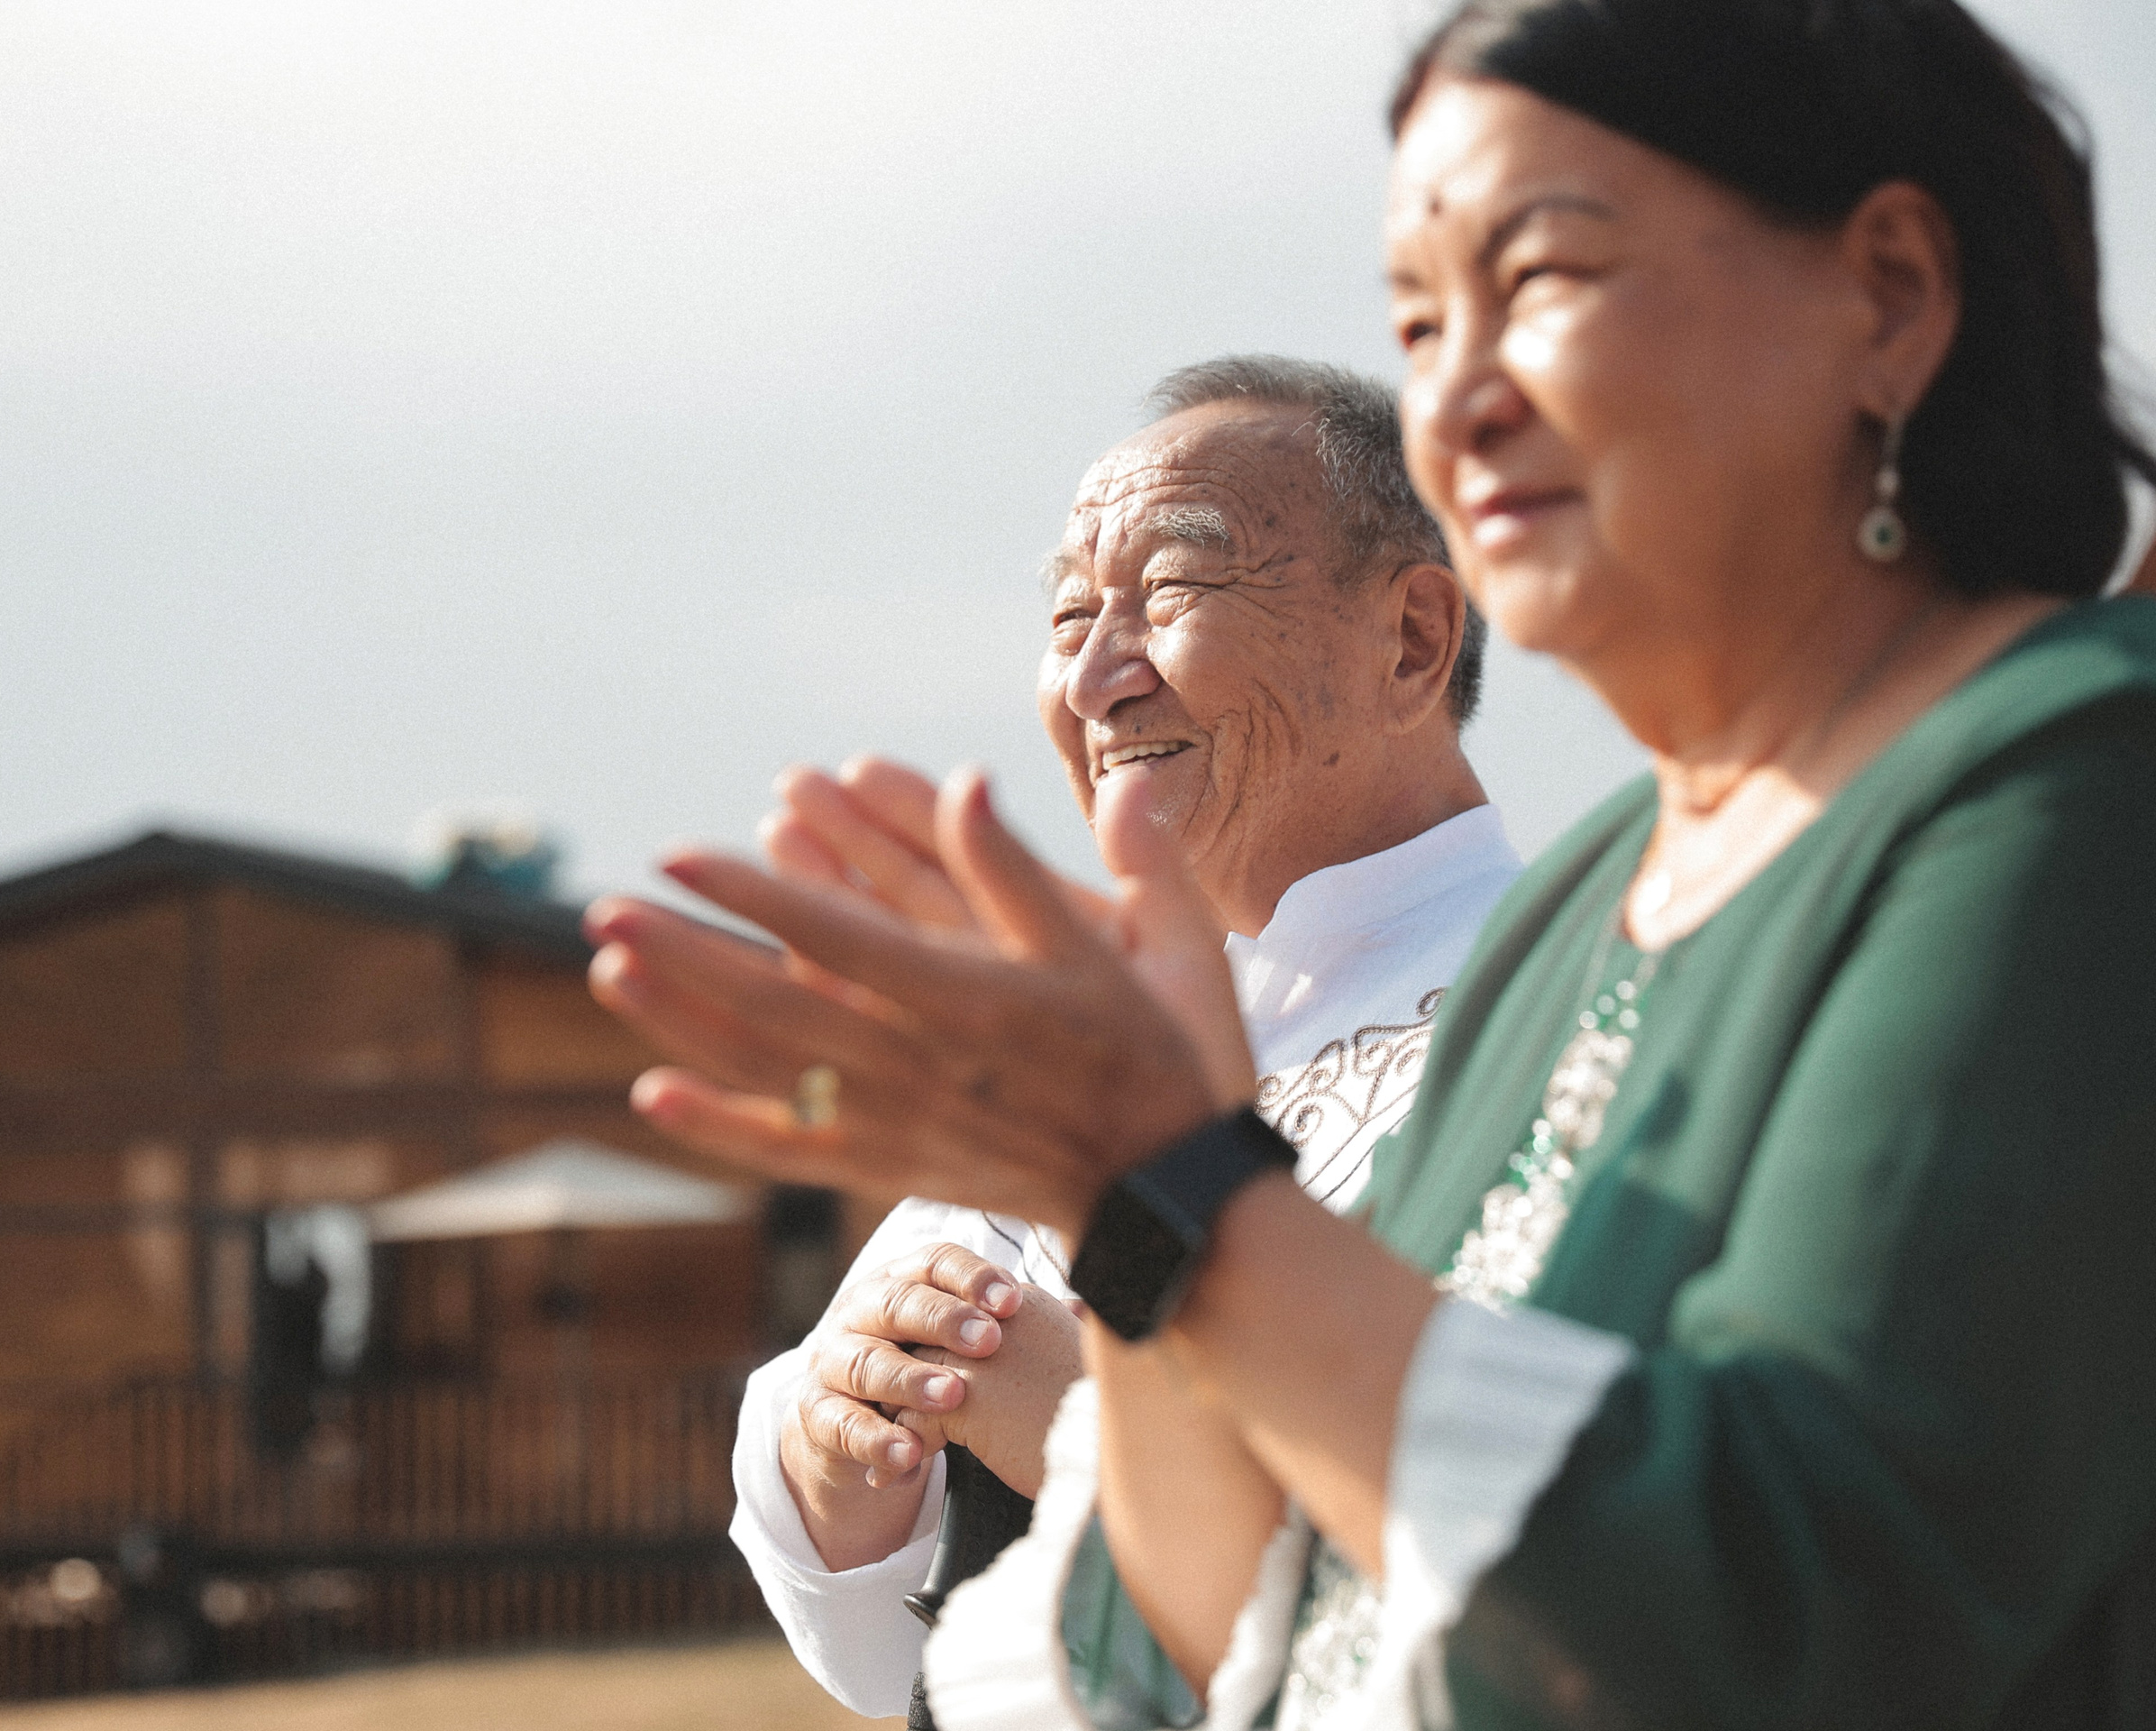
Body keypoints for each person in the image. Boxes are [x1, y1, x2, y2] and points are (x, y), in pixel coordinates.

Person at [585, 0, 2156, 1723]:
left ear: (1890, 295)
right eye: (1420, 319)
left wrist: (1173, 1193)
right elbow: (1224, 1654)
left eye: (1539, 276)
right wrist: (1125, 1218)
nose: (1455, 401)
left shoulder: (2073, 785)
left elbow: (1789, 1607)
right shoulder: (1590, 909)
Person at [715, 357, 1520, 1717]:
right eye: (1071, 615)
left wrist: (1092, 1423)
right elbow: (868, 1634)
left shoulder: (1569, 995)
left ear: (1411, 641)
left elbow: (1550, 1558)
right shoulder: (1092, 1024)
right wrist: (846, 1450)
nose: (1092, 681)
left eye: (1170, 593)